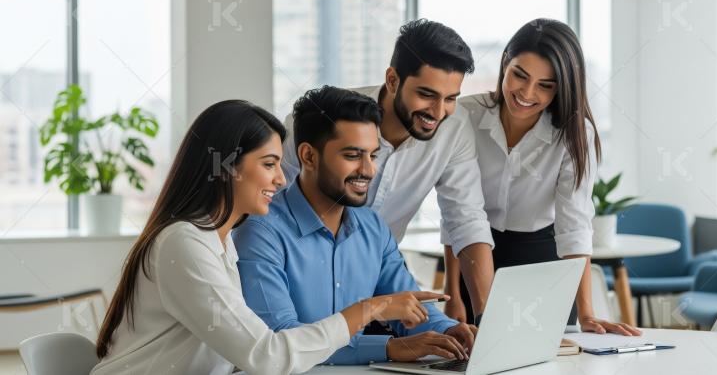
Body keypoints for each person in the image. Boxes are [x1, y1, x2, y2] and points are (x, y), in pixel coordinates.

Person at [91, 100, 444, 375]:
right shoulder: (183, 244)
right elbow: (266, 354)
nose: (280, 179)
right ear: (226, 167)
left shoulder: (220, 241)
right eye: (269, 164)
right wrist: (370, 309)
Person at [234, 86, 476, 365]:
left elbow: (408, 302)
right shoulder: (260, 231)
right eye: (352, 156)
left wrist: (448, 330)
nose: (369, 170)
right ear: (309, 156)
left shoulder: (373, 227)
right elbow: (282, 339)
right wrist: (388, 348)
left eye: (372, 155)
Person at [280, 19, 495, 319]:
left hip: (380, 275)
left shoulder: (455, 130)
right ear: (393, 80)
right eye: (427, 95)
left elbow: (467, 221)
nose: (438, 112)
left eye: (450, 99)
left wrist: (487, 318)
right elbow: (271, 206)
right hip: (303, 277)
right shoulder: (326, 119)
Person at [444, 19, 641, 336]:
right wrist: (452, 291)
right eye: (519, 75)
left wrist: (588, 312)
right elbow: (458, 214)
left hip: (543, 260)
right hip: (477, 259)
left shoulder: (575, 135)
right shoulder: (465, 115)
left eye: (545, 85)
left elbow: (574, 224)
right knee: (477, 354)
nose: (526, 93)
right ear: (505, 61)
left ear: (562, 87)